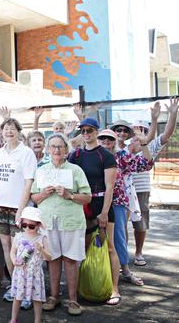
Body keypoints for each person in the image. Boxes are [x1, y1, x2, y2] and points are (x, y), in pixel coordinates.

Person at [31, 134, 91, 315]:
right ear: (48, 150)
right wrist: (44, 194)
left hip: (71, 221)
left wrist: (70, 195)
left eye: (60, 147)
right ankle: (54, 296)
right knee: (53, 258)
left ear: (66, 150)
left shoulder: (75, 170)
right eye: (53, 147)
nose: (56, 150)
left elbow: (87, 197)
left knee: (71, 260)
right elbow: (34, 196)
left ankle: (73, 300)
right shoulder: (41, 170)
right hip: (49, 221)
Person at [66, 120, 121, 306]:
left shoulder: (105, 156)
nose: (86, 133)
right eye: (83, 130)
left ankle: (114, 289)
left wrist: (104, 212)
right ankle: (87, 286)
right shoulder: (76, 155)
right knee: (84, 247)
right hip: (82, 205)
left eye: (89, 130)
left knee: (109, 246)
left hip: (101, 203)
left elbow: (110, 186)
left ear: (96, 132)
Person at [0, 118, 37, 307]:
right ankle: (15, 286)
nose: (9, 132)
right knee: (7, 248)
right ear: (1, 132)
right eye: (6, 129)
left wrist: (21, 209)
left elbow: (29, 182)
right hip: (0, 206)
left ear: (19, 131)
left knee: (23, 250)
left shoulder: (26, 153)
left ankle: (27, 291)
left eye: (12, 129)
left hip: (20, 208)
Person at [131, 98, 178, 266]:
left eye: (142, 130)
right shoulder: (122, 148)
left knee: (141, 223)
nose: (139, 134)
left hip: (141, 190)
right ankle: (120, 255)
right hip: (121, 191)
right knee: (119, 225)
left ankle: (138, 252)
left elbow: (166, 135)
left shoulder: (150, 147)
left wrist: (172, 115)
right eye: (135, 131)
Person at [106, 121, 153, 287]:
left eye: (109, 139)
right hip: (96, 202)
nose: (106, 142)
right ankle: (97, 271)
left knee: (119, 236)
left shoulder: (121, 157)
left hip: (117, 202)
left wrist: (144, 143)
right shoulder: (90, 155)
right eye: (102, 139)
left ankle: (125, 270)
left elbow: (146, 164)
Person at [9, 207, 52, 323]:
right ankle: (13, 319)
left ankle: (37, 320)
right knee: (17, 297)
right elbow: (12, 252)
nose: (27, 228)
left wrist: (42, 249)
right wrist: (14, 262)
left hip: (35, 273)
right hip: (20, 272)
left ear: (38, 225)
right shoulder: (18, 236)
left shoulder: (42, 238)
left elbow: (49, 257)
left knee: (37, 299)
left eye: (31, 226)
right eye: (24, 225)